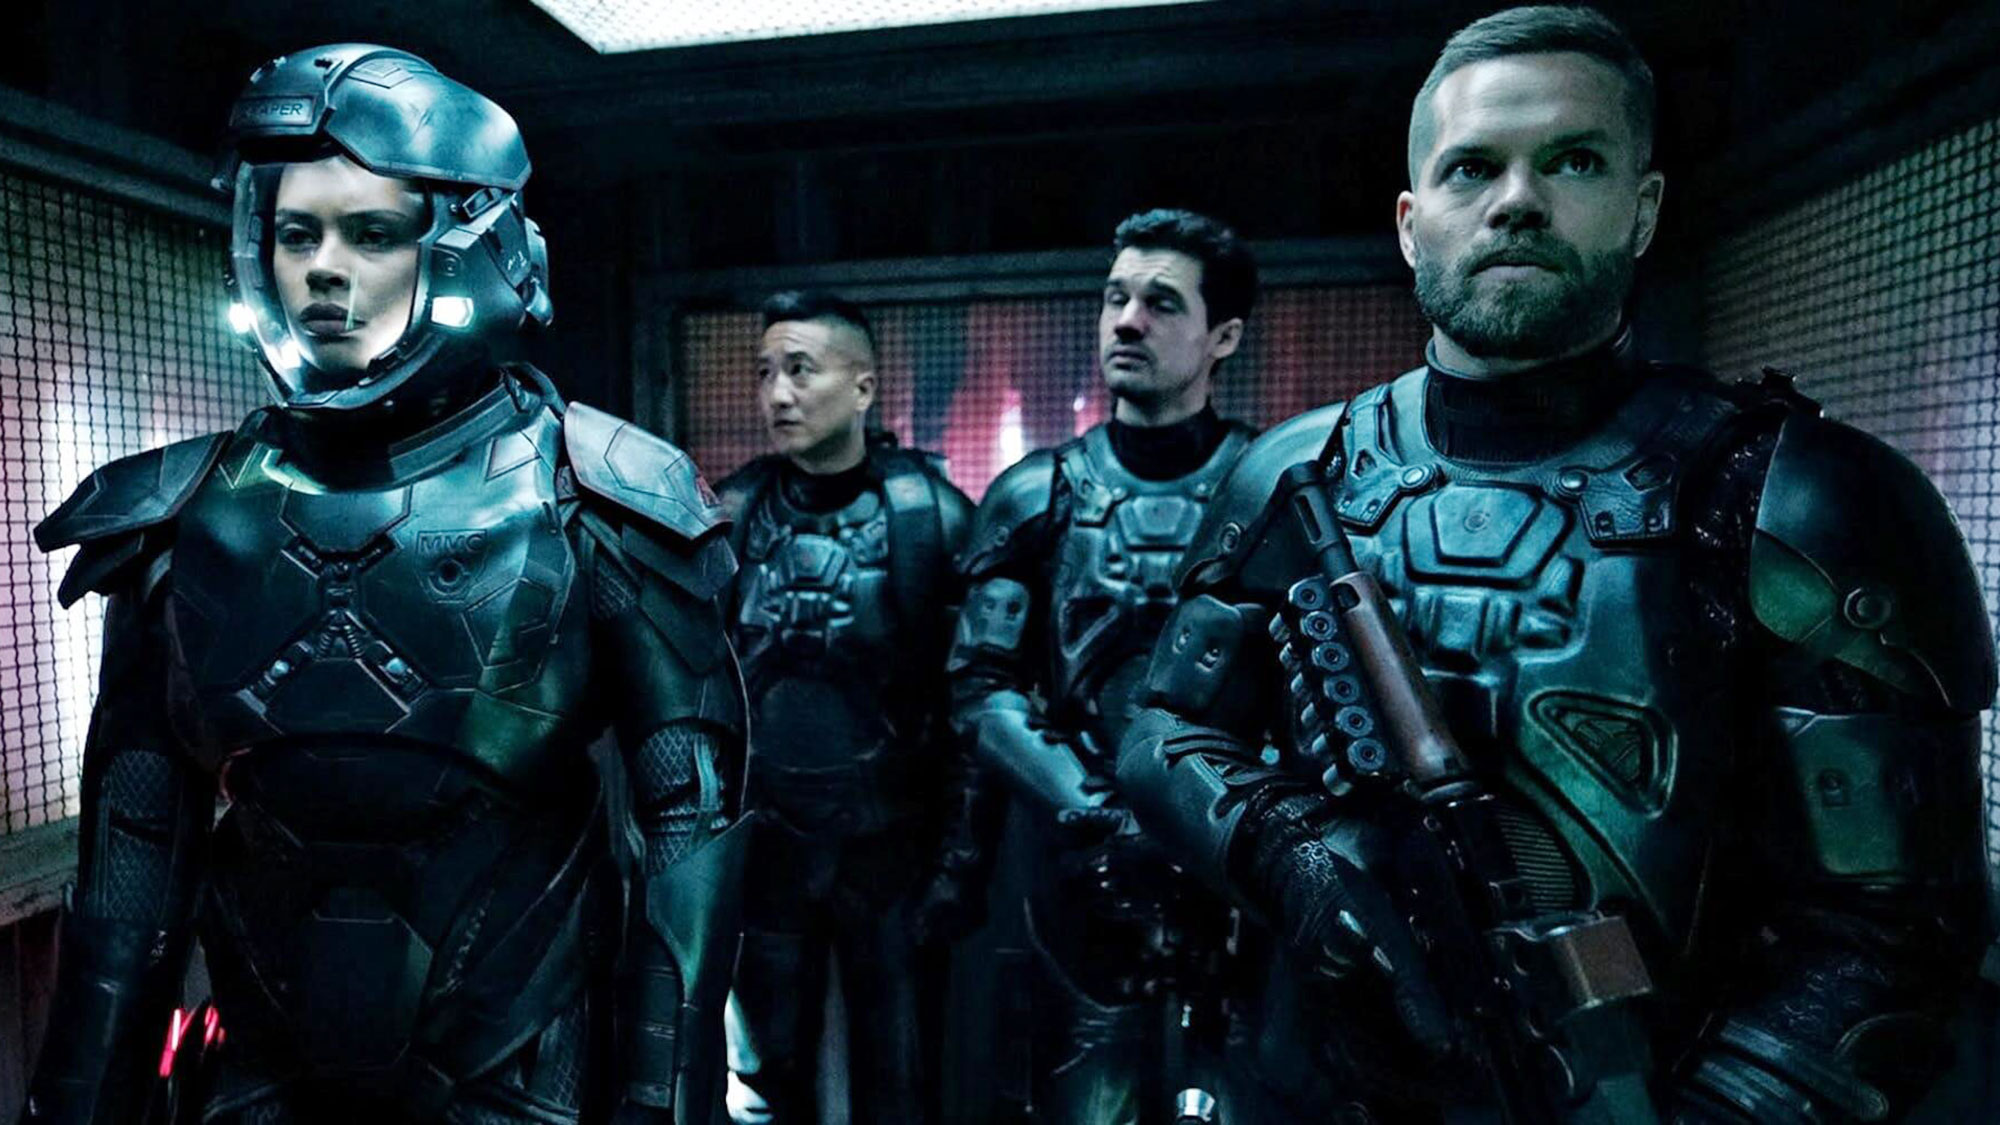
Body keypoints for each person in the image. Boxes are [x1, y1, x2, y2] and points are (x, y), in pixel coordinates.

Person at [1118, 7, 1995, 1122]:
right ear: (1409, 223)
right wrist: (1290, 852)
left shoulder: (1797, 498)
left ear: (1644, 208)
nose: (1517, 200)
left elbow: (1895, 930)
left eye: (1572, 160)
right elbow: (1162, 726)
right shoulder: (1295, 475)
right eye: (1471, 167)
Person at [23, 45, 748, 1125]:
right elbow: (133, 847)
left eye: (372, 233)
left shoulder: (605, 496)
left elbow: (689, 833)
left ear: (470, 244)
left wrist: (664, 1102)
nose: (324, 269)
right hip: (261, 1068)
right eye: (296, 233)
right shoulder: (184, 514)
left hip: (521, 1070)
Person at [950, 209, 1262, 1124]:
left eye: (1161, 303)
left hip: (1237, 872)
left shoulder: (1274, 486)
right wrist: (1096, 808)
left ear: (1223, 336)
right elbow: (980, 686)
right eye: (1115, 297)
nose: (1126, 320)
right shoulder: (1035, 493)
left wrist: (1231, 820)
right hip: (1076, 870)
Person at [716, 292, 984, 1124]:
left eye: (801, 370)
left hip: (890, 850)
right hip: (766, 848)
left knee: (899, 1084)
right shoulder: (729, 517)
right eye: (765, 372)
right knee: (759, 1084)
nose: (778, 393)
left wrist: (959, 862)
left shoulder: (931, 518)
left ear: (863, 387)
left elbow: (974, 708)